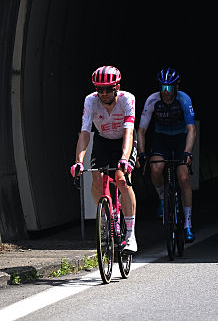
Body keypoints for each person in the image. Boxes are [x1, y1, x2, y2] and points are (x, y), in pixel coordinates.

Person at [71, 66, 140, 253]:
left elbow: (128, 132)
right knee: (96, 179)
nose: (103, 93)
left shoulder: (128, 99)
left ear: (117, 87)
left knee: (121, 180)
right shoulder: (90, 101)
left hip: (123, 141)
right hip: (102, 140)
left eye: (108, 89)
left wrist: (125, 158)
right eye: (99, 89)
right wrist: (78, 161)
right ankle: (106, 217)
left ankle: (131, 235)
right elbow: (85, 133)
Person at [138, 67, 196, 241]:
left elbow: (191, 129)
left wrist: (188, 152)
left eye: (169, 88)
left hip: (180, 138)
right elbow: (141, 130)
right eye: (163, 88)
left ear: (176, 87)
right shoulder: (152, 100)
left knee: (183, 178)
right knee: (155, 169)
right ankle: (163, 198)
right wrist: (141, 153)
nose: (166, 92)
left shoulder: (184, 99)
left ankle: (187, 224)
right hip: (161, 138)